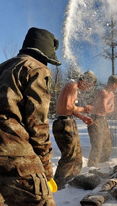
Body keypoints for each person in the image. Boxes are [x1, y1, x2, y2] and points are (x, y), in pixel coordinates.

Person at [0, 27, 59, 205]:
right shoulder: (37, 69)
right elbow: (37, 124)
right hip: (14, 152)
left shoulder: (3, 67)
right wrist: (46, 170)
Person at [53, 71, 96, 189]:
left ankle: (72, 182)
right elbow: (67, 106)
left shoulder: (74, 87)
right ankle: (58, 186)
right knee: (69, 156)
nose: (88, 88)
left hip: (68, 121)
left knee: (77, 157)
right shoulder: (72, 85)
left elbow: (70, 108)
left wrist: (83, 117)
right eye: (89, 85)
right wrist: (84, 108)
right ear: (85, 80)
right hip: (63, 123)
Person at [87, 75, 117, 167]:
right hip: (95, 119)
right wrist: (108, 109)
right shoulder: (103, 92)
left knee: (107, 145)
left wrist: (107, 109)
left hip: (103, 119)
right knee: (97, 145)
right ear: (114, 84)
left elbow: (110, 109)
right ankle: (91, 168)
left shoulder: (112, 94)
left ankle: (102, 166)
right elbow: (105, 108)